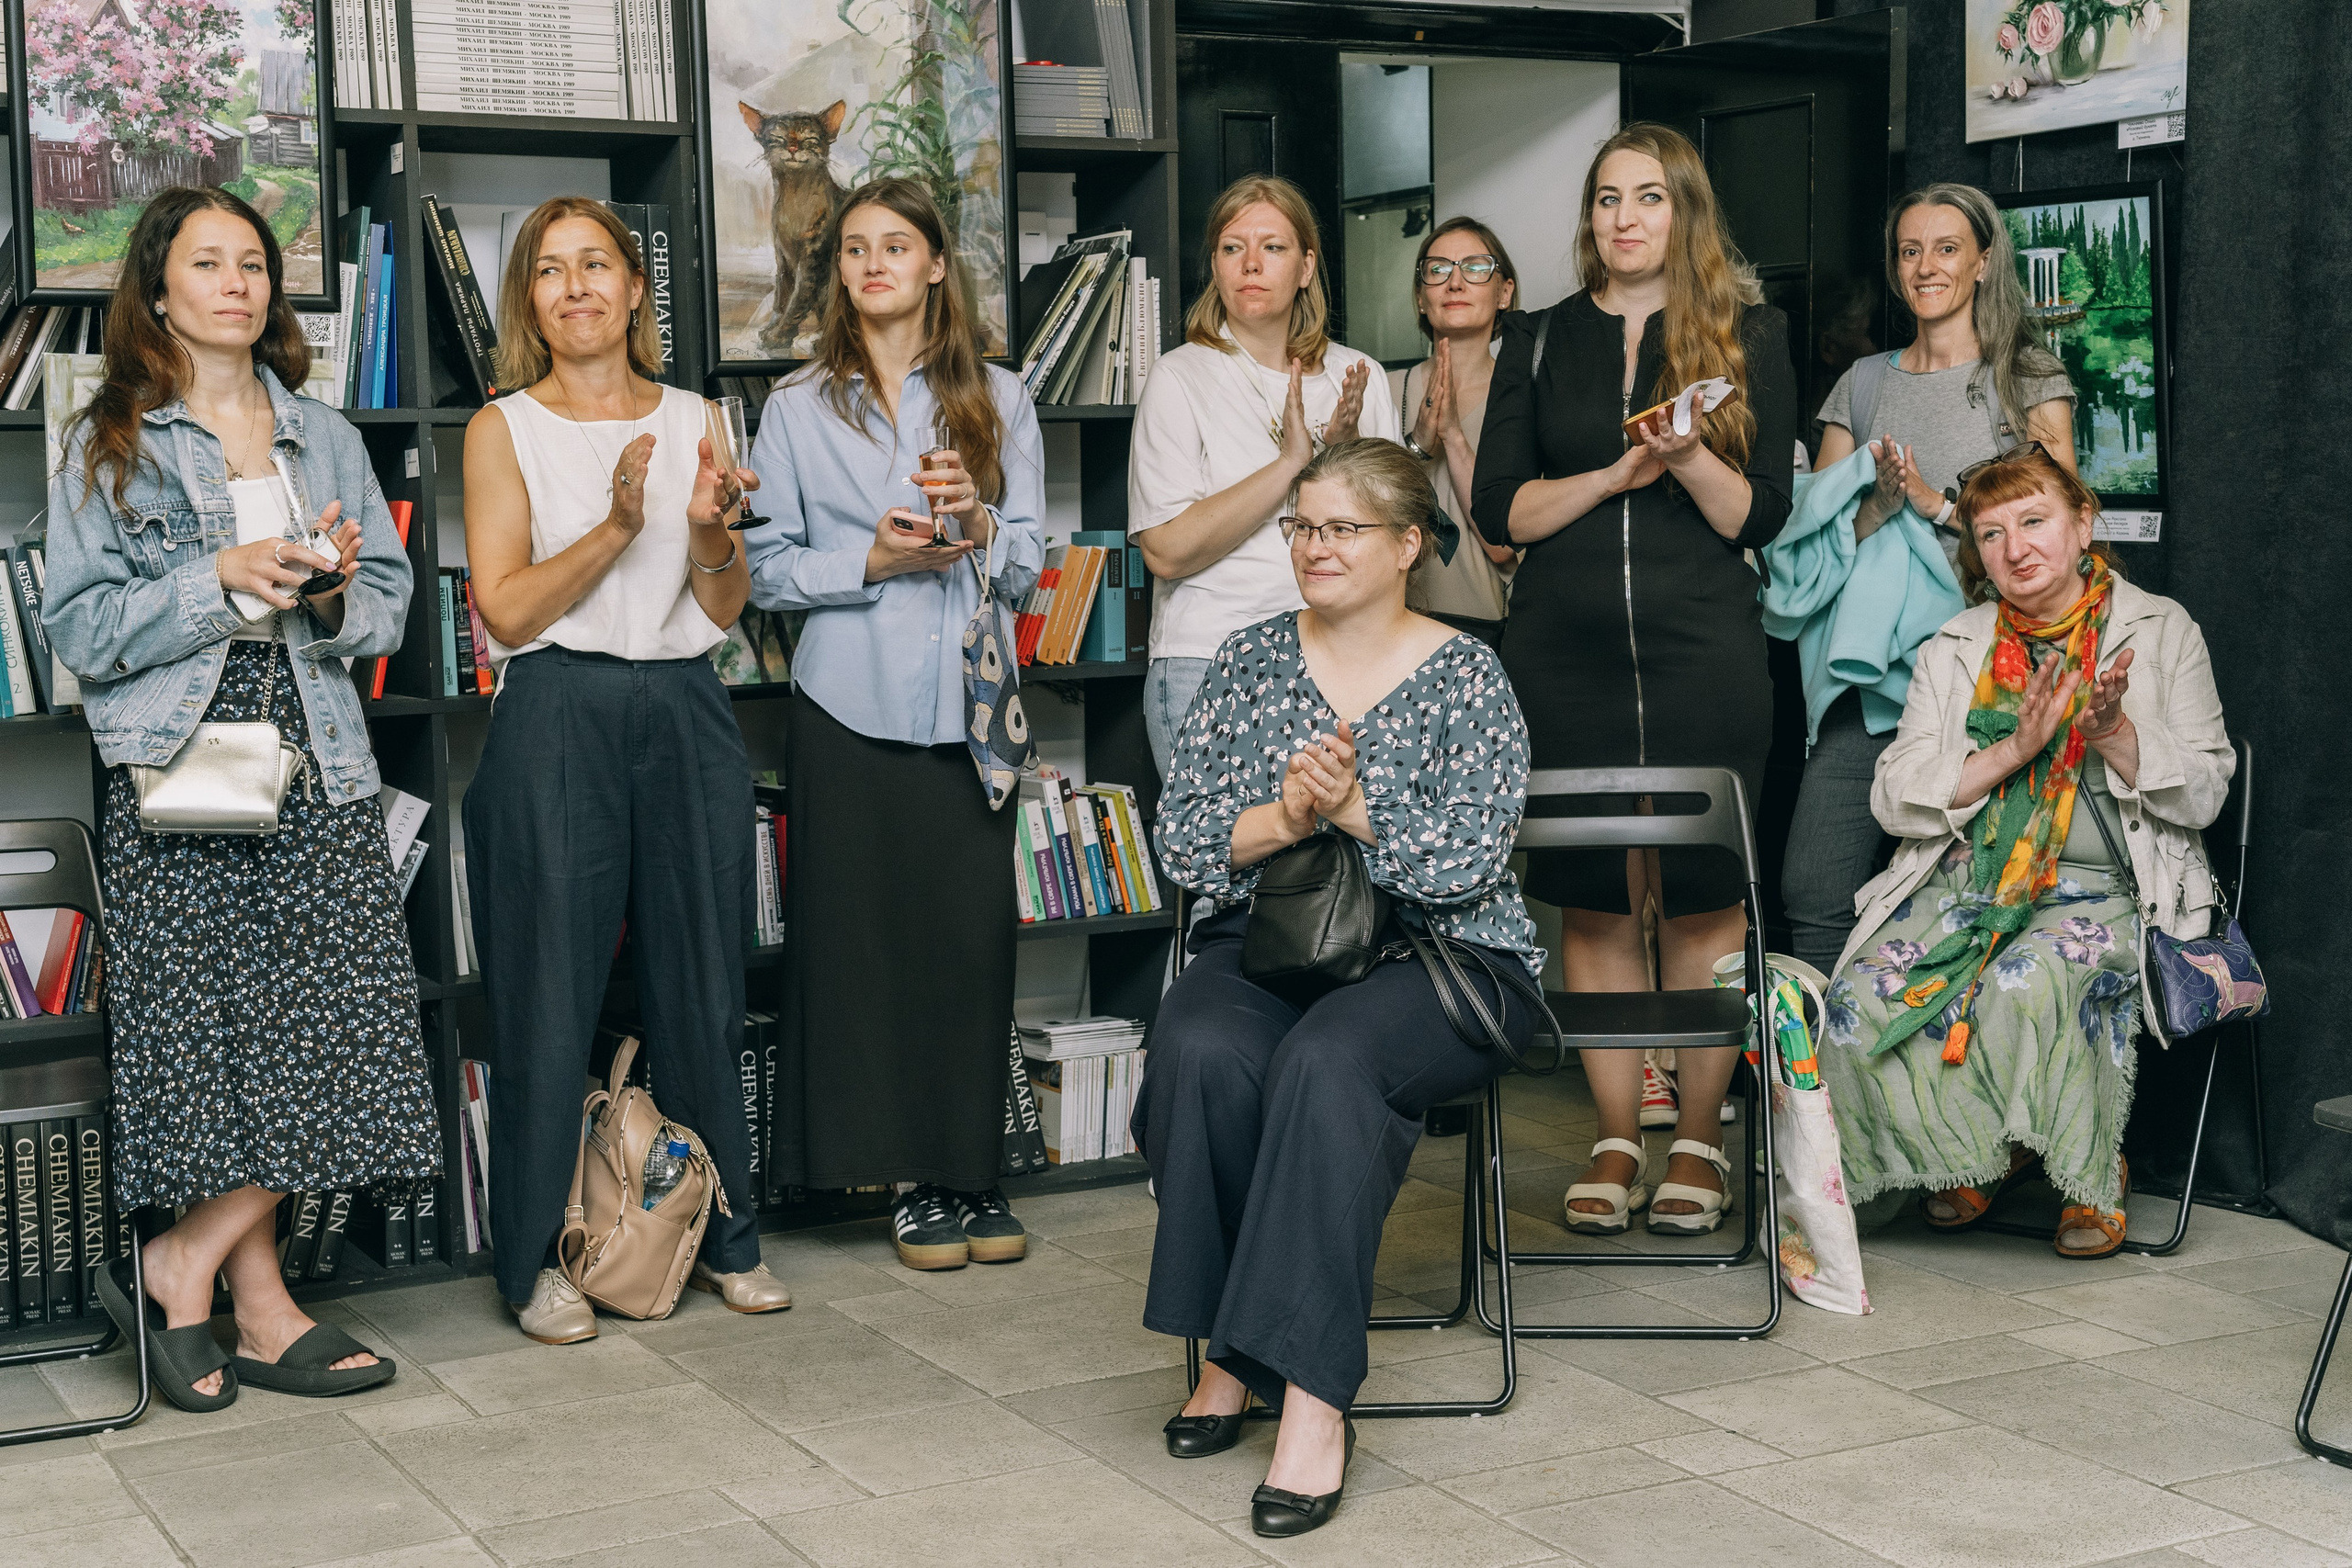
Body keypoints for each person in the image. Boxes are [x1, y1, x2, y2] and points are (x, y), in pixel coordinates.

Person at [43, 186, 433, 1410]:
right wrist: (216, 575)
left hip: (317, 751)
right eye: (208, 263)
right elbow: (80, 630)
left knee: (346, 1035)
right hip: (183, 761)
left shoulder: (326, 434)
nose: (237, 283)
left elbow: (388, 607)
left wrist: (331, 593)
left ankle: (185, 1262)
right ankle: (256, 1306)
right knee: (217, 1049)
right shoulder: (110, 440)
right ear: (159, 291)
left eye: (254, 264)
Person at [1138, 438, 1541, 1539]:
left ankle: (1313, 1403)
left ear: (1407, 545)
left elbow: (1466, 862)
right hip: (1280, 940)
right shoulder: (1249, 659)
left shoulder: (1468, 674)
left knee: (1327, 1060)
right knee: (1200, 1045)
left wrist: (1354, 810)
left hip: (1445, 959)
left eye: (1341, 529)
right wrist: (1287, 816)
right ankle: (1233, 1349)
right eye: (1302, 526)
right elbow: (1184, 840)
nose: (1314, 547)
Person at [462, 197, 789, 1342]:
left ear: (635, 287)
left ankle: (727, 1239)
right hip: (556, 709)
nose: (576, 288)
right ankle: (530, 1267)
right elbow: (506, 612)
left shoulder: (700, 415)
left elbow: (722, 604)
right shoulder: (503, 427)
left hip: (686, 705)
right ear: (531, 301)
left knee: (704, 979)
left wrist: (704, 529)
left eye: (595, 264)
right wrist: (612, 525)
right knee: (547, 992)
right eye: (549, 271)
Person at [1470, 122, 1797, 1236]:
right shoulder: (1537, 337)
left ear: (1684, 211)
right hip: (1561, 661)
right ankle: (1616, 1137)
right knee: (1596, 900)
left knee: (1703, 899)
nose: (1624, 217)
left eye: (1648, 197)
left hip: (1706, 656)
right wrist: (1613, 475)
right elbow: (1501, 510)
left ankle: (1699, 1141)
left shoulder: (1751, 331)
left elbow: (1759, 515)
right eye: (1607, 198)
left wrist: (1685, 455)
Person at [1818, 446, 2230, 1258]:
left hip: (2110, 885)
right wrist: (2014, 749)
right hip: (1967, 882)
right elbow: (1892, 793)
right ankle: (1975, 1152)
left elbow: (2208, 789)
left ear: (2082, 524)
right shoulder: (1954, 643)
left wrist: (2115, 734)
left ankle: (2087, 1172)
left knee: (2029, 977)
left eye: (2034, 521)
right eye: (1992, 533)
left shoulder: (2162, 628)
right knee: (1860, 995)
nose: (2015, 548)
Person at [742, 177, 1045, 1271]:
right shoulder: (794, 407)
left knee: (967, 951)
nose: (874, 263)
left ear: (934, 265)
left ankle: (972, 1172)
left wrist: (979, 519)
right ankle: (911, 1183)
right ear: (839, 273)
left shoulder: (1001, 397)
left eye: (897, 245)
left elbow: (1029, 564)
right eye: (856, 248)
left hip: (969, 714)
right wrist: (871, 559)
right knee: (864, 956)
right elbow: (763, 571)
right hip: (846, 707)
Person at [1771, 182, 2077, 978]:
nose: (1926, 266)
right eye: (1910, 251)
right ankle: (1828, 1055)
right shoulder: (1864, 384)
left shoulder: (2028, 377)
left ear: (1983, 262)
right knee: (1813, 886)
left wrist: (1938, 505)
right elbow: (1812, 542)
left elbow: (2062, 530)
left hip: (1993, 676)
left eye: (1946, 249)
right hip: (1874, 676)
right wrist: (1876, 506)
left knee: (1974, 889)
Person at [1128, 174, 1401, 777]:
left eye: (1273, 247)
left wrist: (1342, 461)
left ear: (1306, 266)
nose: (1250, 263)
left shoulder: (1359, 375)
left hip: (1345, 662)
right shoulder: (1179, 377)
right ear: (1216, 265)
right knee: (1229, 844)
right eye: (1232, 247)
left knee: (1345, 843)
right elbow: (1166, 551)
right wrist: (1291, 463)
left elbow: (1400, 550)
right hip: (1210, 661)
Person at [1386, 216, 1521, 648]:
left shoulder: (1528, 397)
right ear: (1421, 297)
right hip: (1386, 627)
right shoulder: (1384, 389)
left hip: (1490, 632)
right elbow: (1364, 521)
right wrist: (1418, 445)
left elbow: (1505, 546)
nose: (1455, 283)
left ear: (1504, 292)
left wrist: (1452, 435)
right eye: (1438, 269)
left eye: (1476, 267)